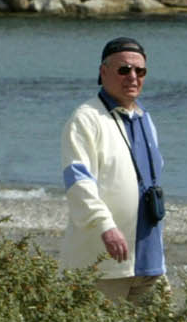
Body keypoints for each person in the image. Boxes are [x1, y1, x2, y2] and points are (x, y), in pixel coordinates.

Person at [60, 36, 166, 302]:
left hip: (149, 261)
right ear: (103, 72)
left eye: (140, 71)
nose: (132, 76)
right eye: (123, 69)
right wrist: (106, 226)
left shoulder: (144, 118)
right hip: (104, 264)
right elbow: (78, 182)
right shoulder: (86, 119)